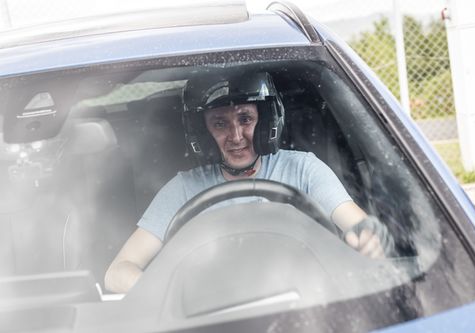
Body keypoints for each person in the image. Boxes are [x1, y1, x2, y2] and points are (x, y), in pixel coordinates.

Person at [104, 72, 394, 294]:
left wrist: (367, 239)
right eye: (219, 124)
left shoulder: (304, 169)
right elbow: (117, 272)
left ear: (267, 121)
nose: (236, 135)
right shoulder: (182, 189)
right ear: (203, 133)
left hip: (306, 308)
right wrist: (174, 293)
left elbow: (358, 225)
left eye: (246, 119)